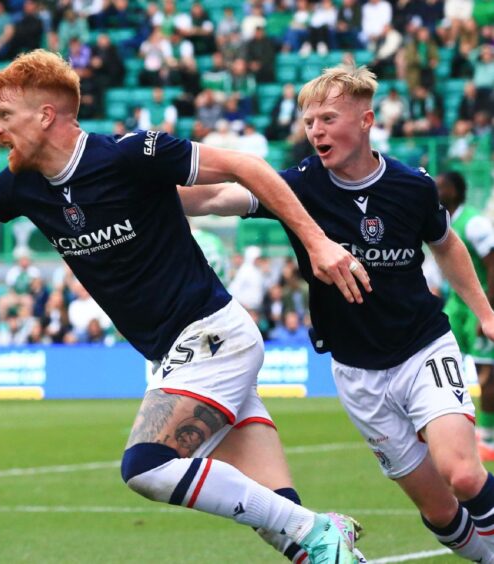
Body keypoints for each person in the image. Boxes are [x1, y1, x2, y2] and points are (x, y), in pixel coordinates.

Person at [0, 51, 370, 562]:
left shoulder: (129, 155)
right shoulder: (25, 186)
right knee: (281, 521)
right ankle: (323, 534)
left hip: (210, 336)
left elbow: (246, 167)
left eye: (4, 115)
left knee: (148, 466)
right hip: (173, 352)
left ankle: (316, 529)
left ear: (46, 115)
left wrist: (319, 242)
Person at [183, 63, 494, 562]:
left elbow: (447, 244)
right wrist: (144, 193)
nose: (316, 131)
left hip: (422, 347)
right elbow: (220, 195)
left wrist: (486, 313)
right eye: (309, 122)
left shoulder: (412, 185)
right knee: (439, 510)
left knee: (461, 472)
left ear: (367, 120)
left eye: (328, 118)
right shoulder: (298, 186)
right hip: (356, 372)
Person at [436, 171, 494, 462]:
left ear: (456, 192)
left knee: (487, 374)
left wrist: (489, 312)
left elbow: (493, 265)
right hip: (455, 305)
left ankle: (490, 437)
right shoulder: (441, 221)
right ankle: (457, 429)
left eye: (441, 186)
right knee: (445, 366)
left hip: (479, 302)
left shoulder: (475, 222)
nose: (436, 190)